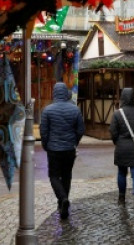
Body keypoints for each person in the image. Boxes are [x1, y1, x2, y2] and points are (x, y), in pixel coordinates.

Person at [40, 82, 85, 219]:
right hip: (69, 149)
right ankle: (63, 204)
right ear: (66, 93)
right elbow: (80, 130)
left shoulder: (47, 110)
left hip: (53, 148)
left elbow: (44, 131)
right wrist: (74, 142)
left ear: (54, 93)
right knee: (67, 175)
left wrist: (45, 145)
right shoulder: (75, 110)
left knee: (53, 176)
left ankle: (62, 199)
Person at [109, 87, 134, 212]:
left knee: (121, 173)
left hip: (121, 147)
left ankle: (122, 197)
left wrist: (118, 142)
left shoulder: (117, 114)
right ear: (133, 98)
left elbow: (113, 132)